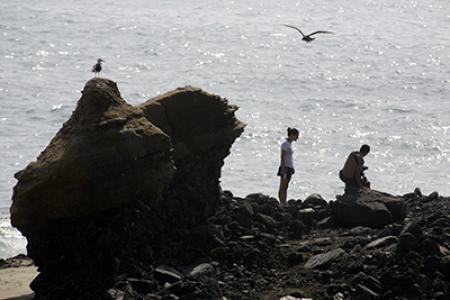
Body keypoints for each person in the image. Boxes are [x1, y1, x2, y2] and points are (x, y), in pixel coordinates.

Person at [278, 127, 299, 205]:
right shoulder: (285, 144)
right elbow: (282, 157)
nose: (297, 137)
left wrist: (292, 168)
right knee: (282, 186)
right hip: (285, 167)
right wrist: (283, 168)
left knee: (286, 186)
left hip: (289, 167)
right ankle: (281, 202)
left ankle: (284, 201)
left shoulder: (289, 144)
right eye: (296, 135)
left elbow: (289, 158)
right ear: (292, 135)